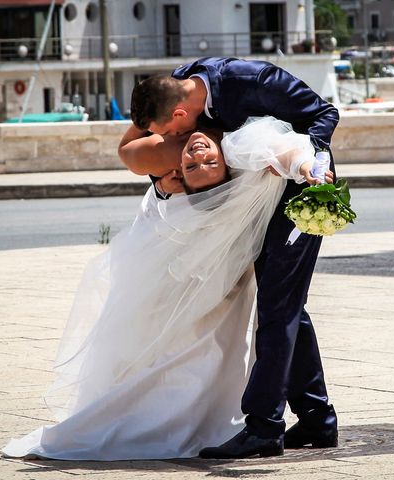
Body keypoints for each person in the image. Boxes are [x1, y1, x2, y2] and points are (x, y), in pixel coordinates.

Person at [0, 117, 320, 460]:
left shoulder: (215, 150)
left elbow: (133, 152)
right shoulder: (220, 156)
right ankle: (316, 416)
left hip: (245, 226)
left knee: (275, 316)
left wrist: (162, 182)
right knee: (262, 321)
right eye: (199, 164)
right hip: (214, 236)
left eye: (201, 163)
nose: (198, 155)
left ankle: (313, 416)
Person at [126, 57, 339, 459]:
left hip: (302, 187)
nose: (173, 140)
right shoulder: (178, 83)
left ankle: (264, 427)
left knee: (278, 307)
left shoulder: (254, 80)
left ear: (180, 113)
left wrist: (315, 164)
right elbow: (132, 149)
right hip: (256, 196)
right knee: (288, 305)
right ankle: (316, 419)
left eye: (171, 131)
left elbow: (325, 113)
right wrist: (162, 177)